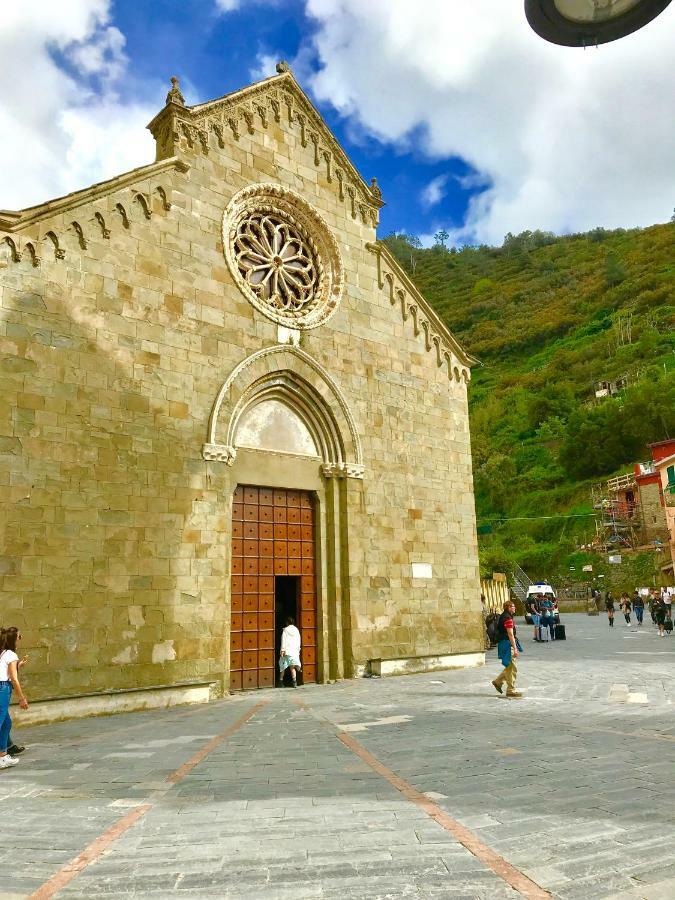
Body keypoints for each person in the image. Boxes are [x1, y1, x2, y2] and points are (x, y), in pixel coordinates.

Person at [0, 627, 29, 770]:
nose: (20, 638)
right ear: (13, 639)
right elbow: (14, 679)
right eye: (19, 636)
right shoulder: (10, 654)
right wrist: (22, 698)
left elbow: (4, 668)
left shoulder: (3, 653)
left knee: (6, 723)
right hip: (3, 688)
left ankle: (3, 755)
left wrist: (18, 665)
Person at [491, 599, 523, 699]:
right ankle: (510, 690)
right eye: (513, 606)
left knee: (509, 666)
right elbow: (510, 634)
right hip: (507, 644)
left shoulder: (503, 616)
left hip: (503, 643)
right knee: (512, 668)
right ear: (509, 607)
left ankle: (498, 681)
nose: (515, 608)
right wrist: (515, 648)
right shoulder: (507, 618)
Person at [279, 616, 302, 688]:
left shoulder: (285, 630)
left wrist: (282, 650)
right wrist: (298, 650)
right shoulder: (296, 630)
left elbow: (283, 640)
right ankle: (294, 682)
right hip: (294, 651)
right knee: (292, 667)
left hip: (287, 651)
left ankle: (281, 682)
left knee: (283, 667)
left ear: (287, 622)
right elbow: (299, 641)